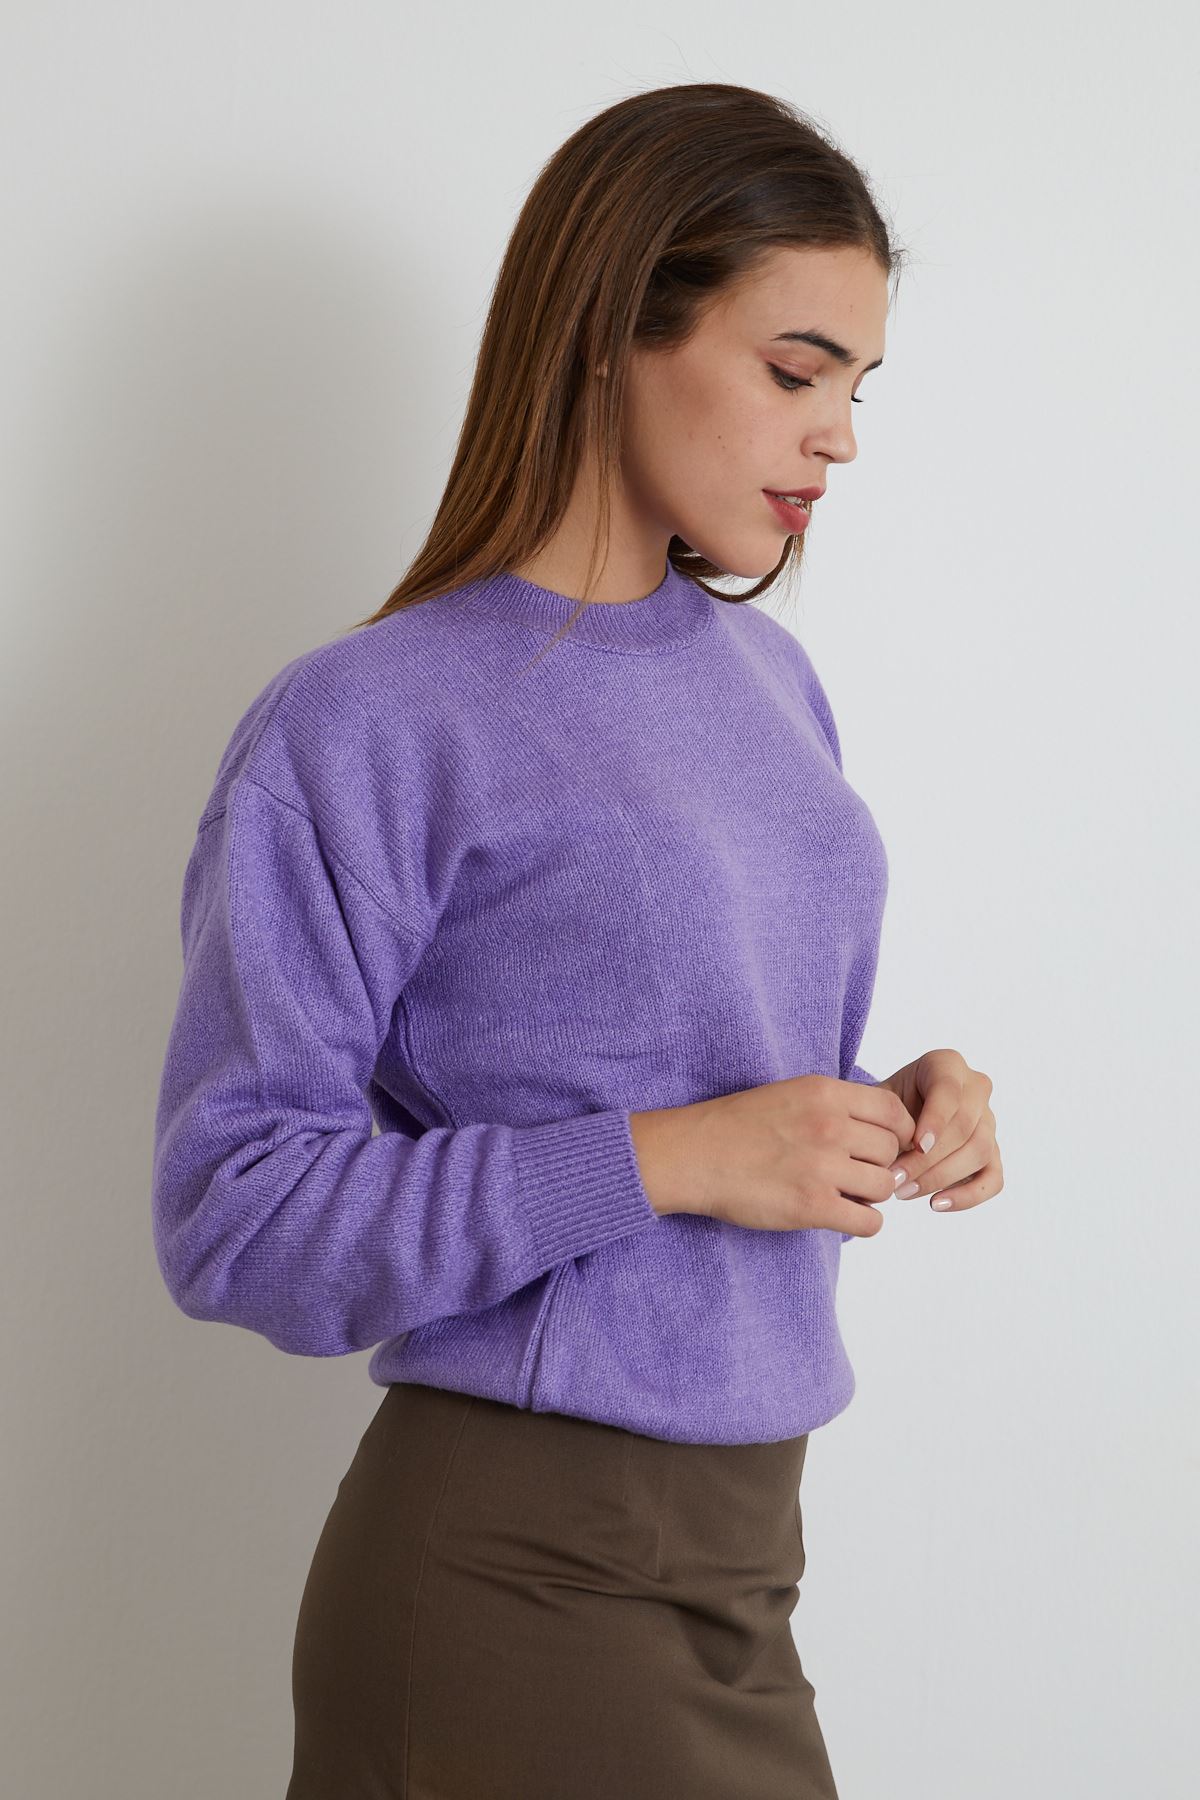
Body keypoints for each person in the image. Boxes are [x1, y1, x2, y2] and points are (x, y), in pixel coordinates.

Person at [151, 79, 1002, 1800]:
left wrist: (883, 1103)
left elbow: (672, 1048)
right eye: (796, 371)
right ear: (611, 329)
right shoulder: (369, 722)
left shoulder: (767, 683)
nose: (839, 436)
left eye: (858, 385)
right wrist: (679, 1157)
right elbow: (233, 1214)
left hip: (750, 1561)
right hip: (519, 1568)